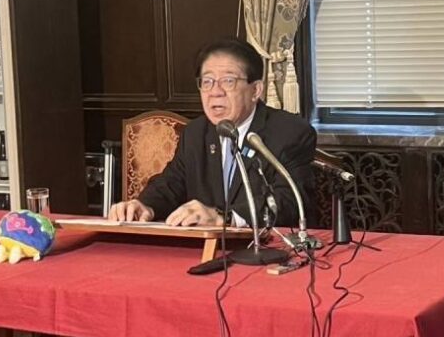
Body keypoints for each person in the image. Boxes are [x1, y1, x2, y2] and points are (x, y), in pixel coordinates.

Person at [108, 39, 317, 228]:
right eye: (207, 82)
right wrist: (145, 205)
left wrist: (225, 217)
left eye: (228, 81)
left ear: (255, 90)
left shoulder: (289, 133)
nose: (215, 92)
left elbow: (289, 201)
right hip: (204, 250)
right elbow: (171, 183)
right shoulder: (196, 133)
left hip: (266, 247)